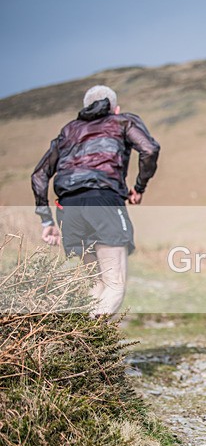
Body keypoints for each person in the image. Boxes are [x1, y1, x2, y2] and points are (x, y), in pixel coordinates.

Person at [31, 85, 160, 316]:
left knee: (96, 283)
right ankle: (90, 342)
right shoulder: (121, 122)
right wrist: (139, 188)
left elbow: (39, 175)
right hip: (103, 201)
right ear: (115, 109)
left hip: (68, 208)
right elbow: (149, 149)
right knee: (114, 283)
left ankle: (80, 344)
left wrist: (46, 221)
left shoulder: (69, 129)